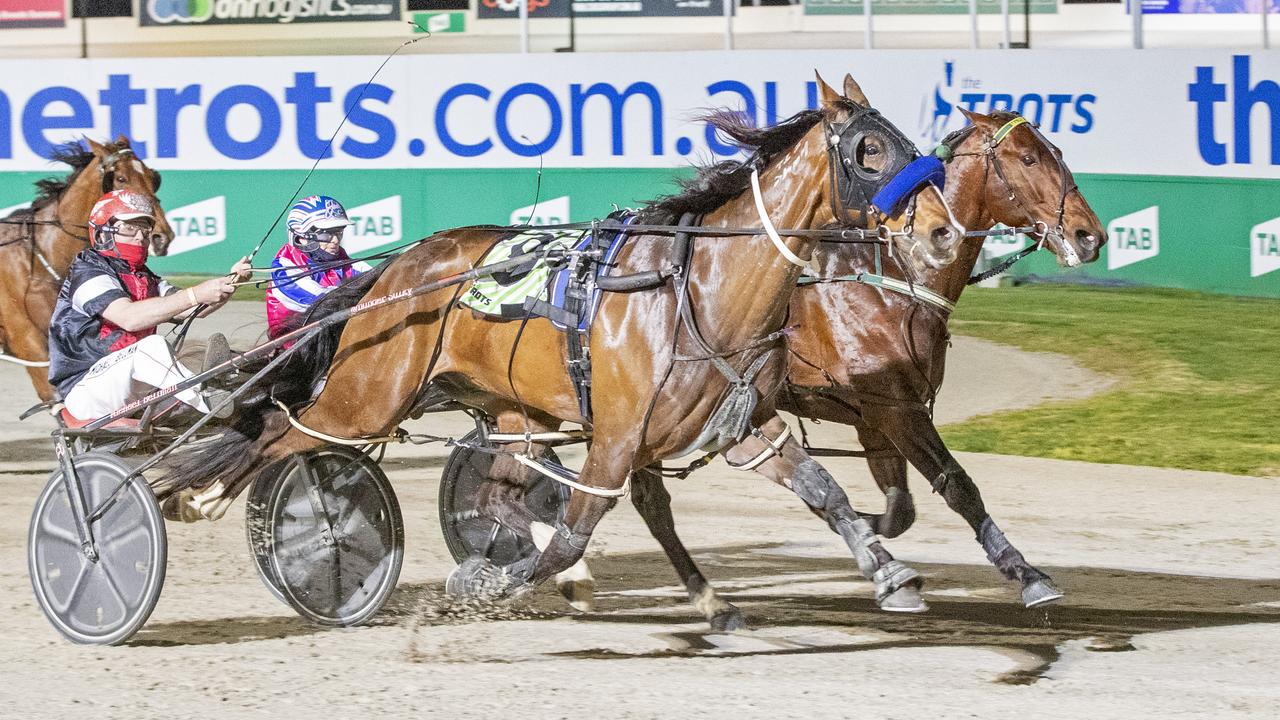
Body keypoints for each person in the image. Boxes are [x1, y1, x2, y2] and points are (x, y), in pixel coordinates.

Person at [47, 190, 251, 421]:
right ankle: (204, 398)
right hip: (85, 390)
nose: (140, 237)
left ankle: (219, 386)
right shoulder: (87, 271)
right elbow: (128, 318)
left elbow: (191, 309)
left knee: (186, 353)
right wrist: (196, 293)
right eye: (130, 228)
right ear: (103, 232)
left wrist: (230, 283)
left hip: (123, 383)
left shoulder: (145, 276)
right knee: (152, 347)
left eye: (144, 229)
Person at [265, 194, 370, 340]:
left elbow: (378, 278)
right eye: (327, 234)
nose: (335, 241)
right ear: (301, 236)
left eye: (339, 232)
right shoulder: (284, 269)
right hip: (295, 353)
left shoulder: (344, 262)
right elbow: (325, 301)